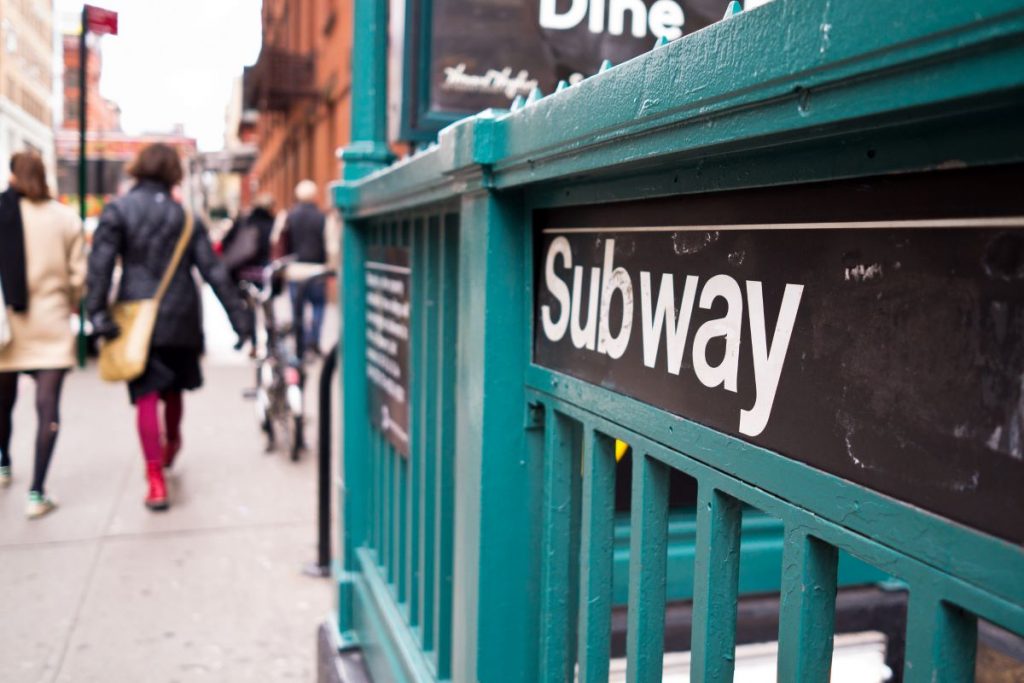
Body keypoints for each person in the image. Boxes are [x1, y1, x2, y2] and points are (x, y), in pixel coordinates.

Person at [86, 143, 250, 512]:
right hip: (181, 316)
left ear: (139, 169)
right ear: (173, 173)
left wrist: (97, 313)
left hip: (136, 316)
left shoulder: (119, 210)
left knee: (146, 395)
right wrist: (241, 320)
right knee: (173, 391)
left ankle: (155, 479)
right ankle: (172, 444)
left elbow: (100, 265)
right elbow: (214, 271)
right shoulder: (186, 218)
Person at [0, 152, 86, 519]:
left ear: (13, 176)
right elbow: (79, 279)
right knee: (47, 407)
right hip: (50, 324)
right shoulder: (66, 219)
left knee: (3, 403)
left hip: (6, 326)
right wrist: (66, 298)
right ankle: (37, 493)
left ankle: (3, 463)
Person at [280, 180, 327, 356]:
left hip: (296, 269)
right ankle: (313, 340)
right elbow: (329, 245)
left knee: (297, 308)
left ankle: (302, 343)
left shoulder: (290, 216)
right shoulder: (321, 216)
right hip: (316, 269)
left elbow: (282, 243)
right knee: (318, 306)